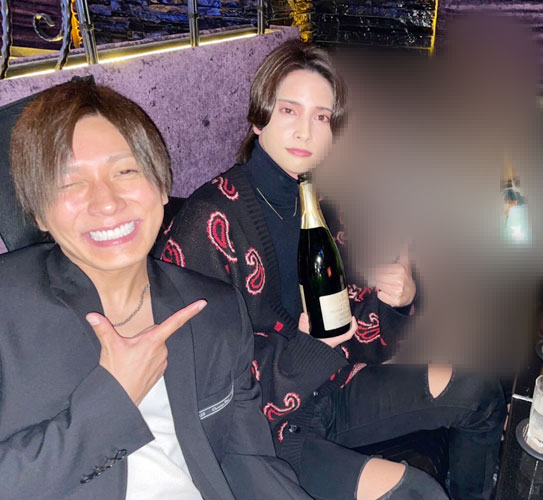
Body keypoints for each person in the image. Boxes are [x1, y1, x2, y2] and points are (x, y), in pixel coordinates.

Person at [158, 40, 506, 500]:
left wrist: (397, 301)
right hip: (267, 434)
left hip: (332, 386)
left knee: (481, 392)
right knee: (417, 493)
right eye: (289, 110)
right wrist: (308, 351)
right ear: (259, 118)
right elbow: (200, 384)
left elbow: (355, 330)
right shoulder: (210, 221)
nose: (305, 131)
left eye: (322, 117)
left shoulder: (321, 207)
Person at [0, 80, 311, 499]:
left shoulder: (213, 309)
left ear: (162, 186)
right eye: (70, 182)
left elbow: (248, 459)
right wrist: (113, 400)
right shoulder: (8, 311)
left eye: (125, 171)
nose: (106, 202)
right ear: (38, 212)